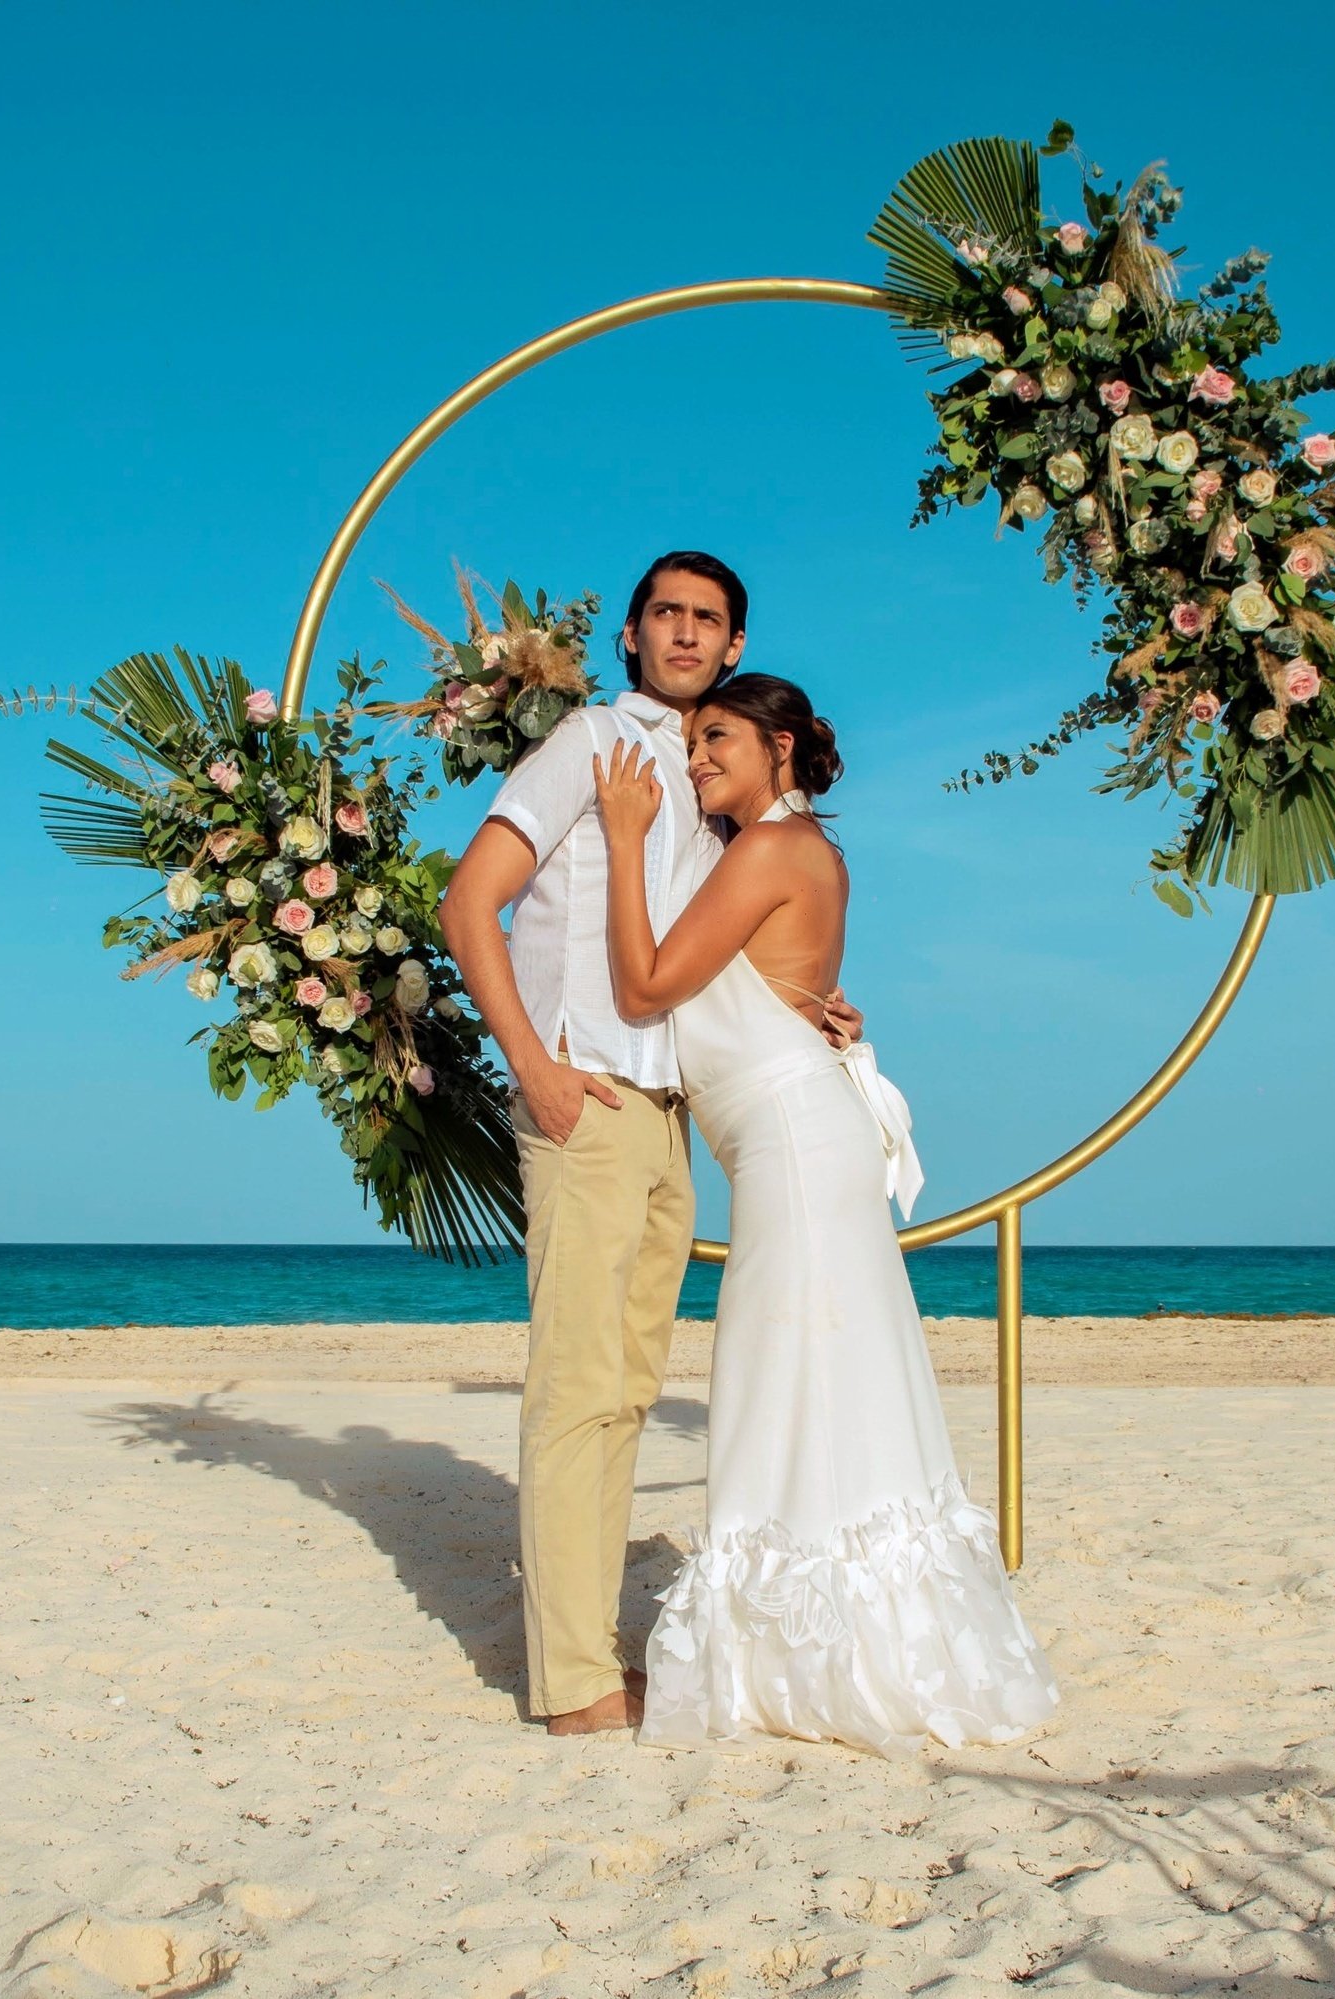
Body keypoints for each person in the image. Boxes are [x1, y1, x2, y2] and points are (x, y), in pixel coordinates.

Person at [592, 674, 1058, 1755]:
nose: (698, 756)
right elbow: (780, 988)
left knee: (789, 1381)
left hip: (798, 1150)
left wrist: (624, 837)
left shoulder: (765, 849)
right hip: (803, 1135)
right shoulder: (800, 850)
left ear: (781, 746)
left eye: (718, 737)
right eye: (694, 738)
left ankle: (816, 1647)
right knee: (818, 1383)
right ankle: (844, 1635)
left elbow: (649, 982)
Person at [438, 552, 857, 1736]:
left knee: (626, 1388)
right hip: (591, 1101)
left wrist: (812, 1010)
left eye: (708, 618)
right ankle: (572, 1681)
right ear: (631, 636)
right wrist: (536, 1068)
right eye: (665, 613)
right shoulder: (590, 744)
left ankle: (592, 1652)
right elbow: (472, 902)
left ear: (733, 647)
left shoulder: (706, 775)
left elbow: (718, 958)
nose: (684, 631)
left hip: (669, 1114)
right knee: (580, 1387)